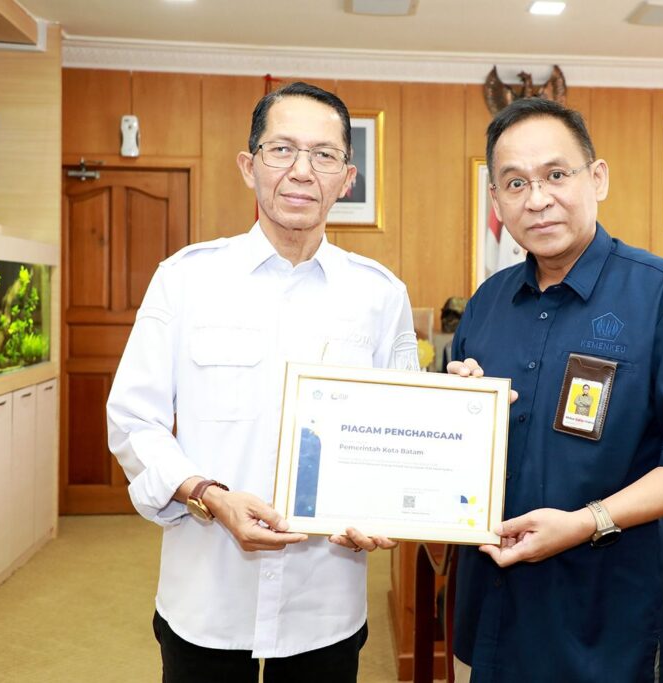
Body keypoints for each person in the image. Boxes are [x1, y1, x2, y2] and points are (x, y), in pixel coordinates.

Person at [106, 81, 418, 682]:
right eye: (282, 150)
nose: (302, 170)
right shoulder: (185, 279)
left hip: (324, 602)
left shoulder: (381, 295)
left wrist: (389, 501)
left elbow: (397, 432)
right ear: (249, 167)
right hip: (208, 599)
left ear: (346, 179)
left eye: (324, 155)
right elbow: (134, 419)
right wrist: (209, 495)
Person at [447, 97, 663, 682]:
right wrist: (456, 411)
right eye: (515, 183)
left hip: (607, 611)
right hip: (494, 602)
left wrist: (586, 521)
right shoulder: (486, 303)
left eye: (556, 174)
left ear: (598, 178)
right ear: (497, 201)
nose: (537, 199)